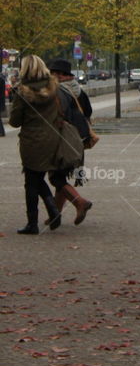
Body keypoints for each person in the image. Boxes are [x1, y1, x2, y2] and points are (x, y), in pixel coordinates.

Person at [9, 55, 84, 233]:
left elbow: (14, 121)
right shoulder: (54, 88)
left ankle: (33, 223)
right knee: (37, 177)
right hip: (53, 139)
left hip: (32, 141)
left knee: (31, 181)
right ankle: (52, 211)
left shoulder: (22, 92)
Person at [47, 58, 96, 221]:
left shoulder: (58, 91)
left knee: (56, 176)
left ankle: (79, 203)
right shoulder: (78, 90)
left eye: (52, 73)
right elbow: (88, 112)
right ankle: (56, 214)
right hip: (79, 139)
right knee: (62, 174)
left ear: (59, 75)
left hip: (64, 138)